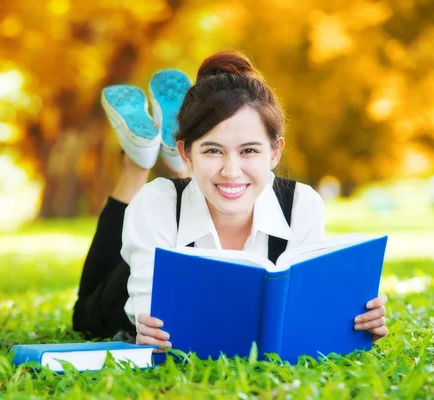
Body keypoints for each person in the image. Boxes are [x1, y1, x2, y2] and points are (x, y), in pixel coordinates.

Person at [73, 50, 388, 351]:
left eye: (249, 150)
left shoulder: (302, 205)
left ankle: (187, 157)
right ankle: (139, 163)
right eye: (212, 150)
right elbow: (149, 307)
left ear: (275, 152)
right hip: (129, 283)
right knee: (84, 315)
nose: (232, 170)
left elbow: (308, 304)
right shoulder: (156, 202)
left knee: (210, 182)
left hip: (191, 182)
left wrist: (354, 323)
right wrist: (150, 326)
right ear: (187, 151)